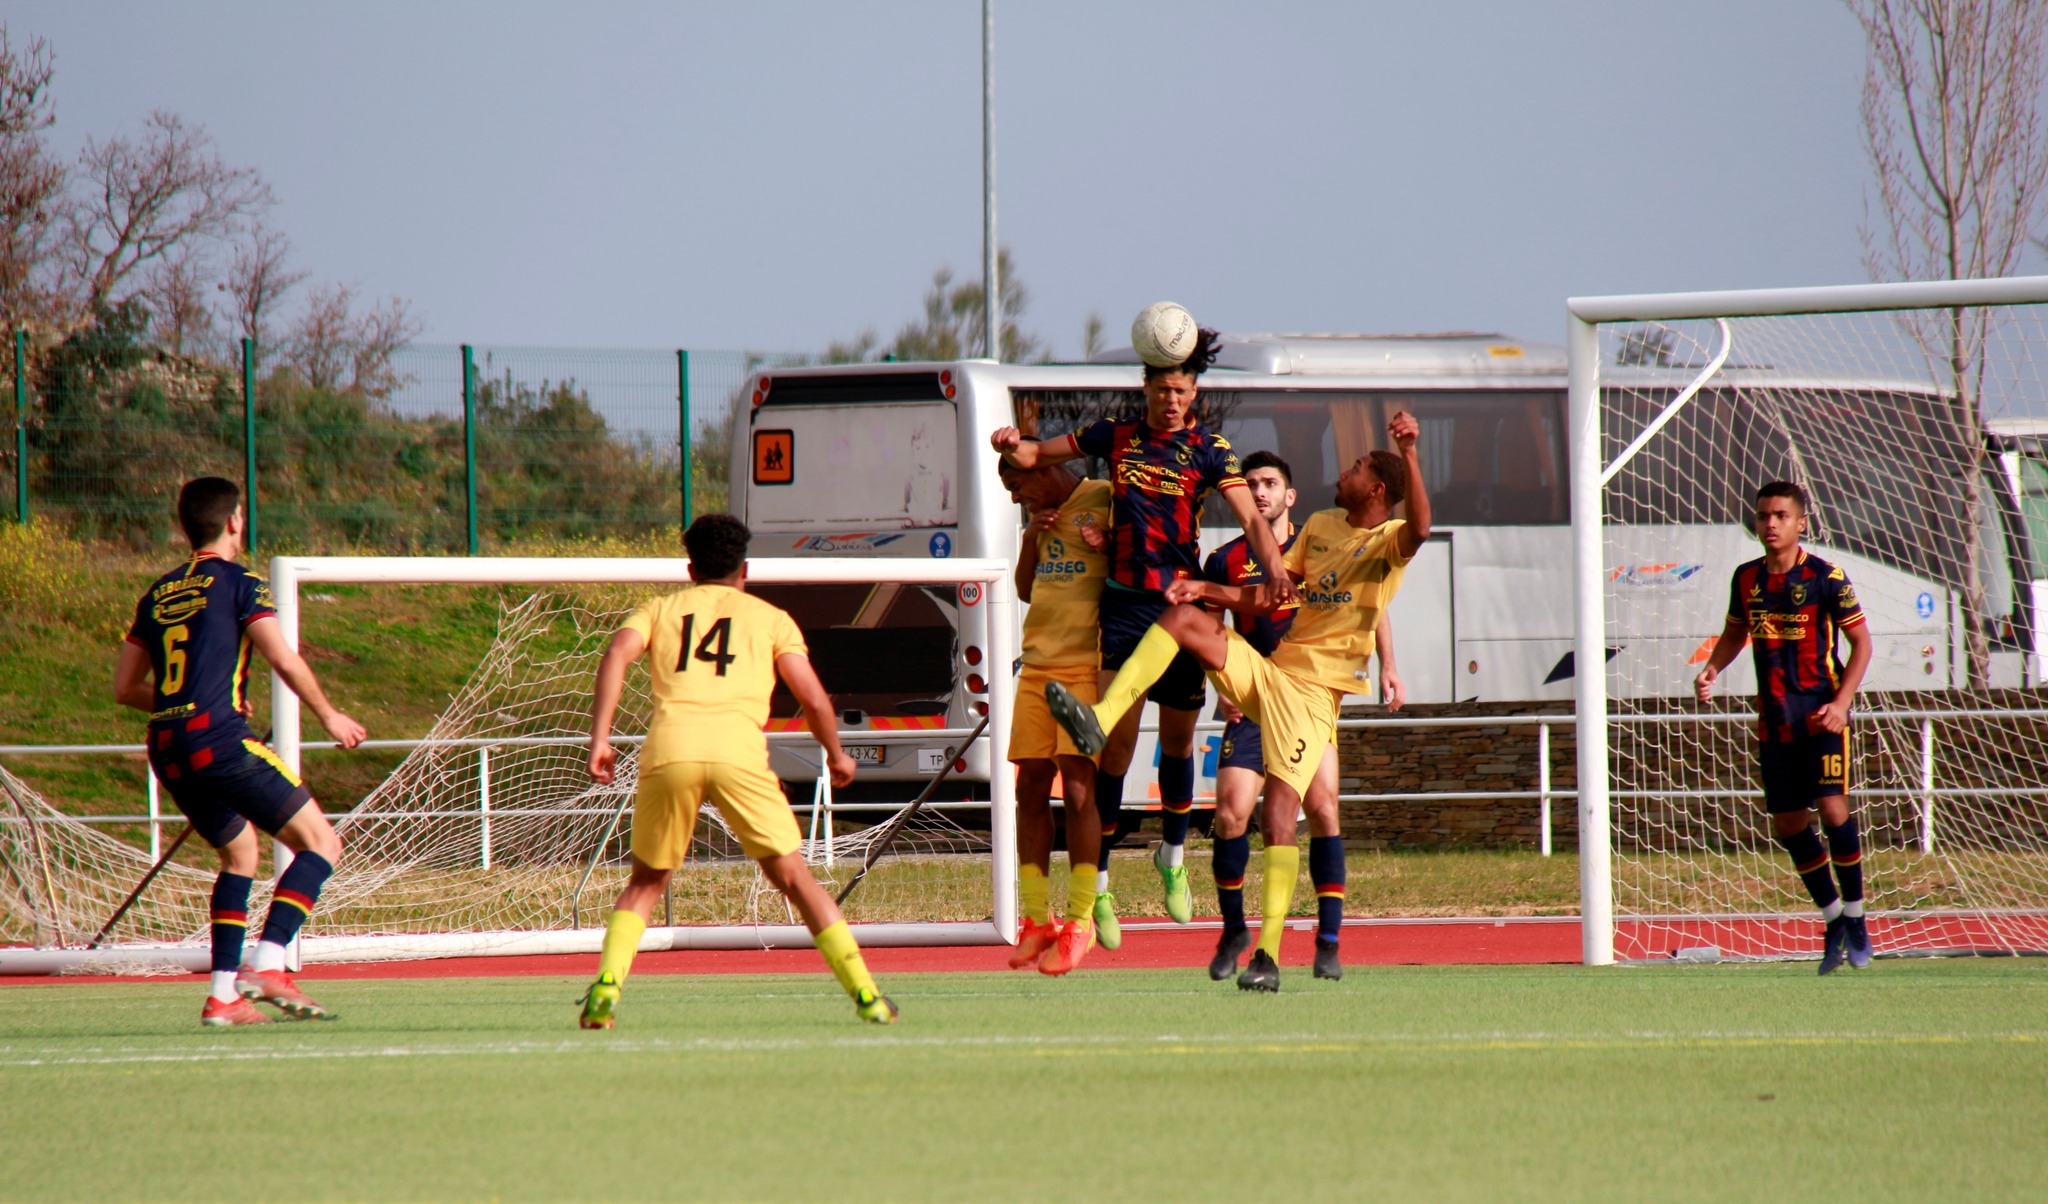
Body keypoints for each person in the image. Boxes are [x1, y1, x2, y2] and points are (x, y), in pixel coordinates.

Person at [1048, 412, 1431, 992]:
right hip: (1273, 674)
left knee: (1279, 818)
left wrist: (1410, 453)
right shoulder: (1323, 523)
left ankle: (1269, 956)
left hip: (1313, 699)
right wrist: (1205, 589)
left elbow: (1422, 528)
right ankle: (1099, 721)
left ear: (1376, 489)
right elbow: (1271, 597)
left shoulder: (1388, 540)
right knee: (1181, 618)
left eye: (1356, 468)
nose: (1345, 471)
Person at [990, 325, 1296, 937]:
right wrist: (1010, 441)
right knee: (1115, 751)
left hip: (1180, 611)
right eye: (1162, 390)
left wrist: (1276, 566)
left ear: (1193, 395)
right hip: (1126, 611)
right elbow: (1035, 457)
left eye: (1181, 391)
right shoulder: (1115, 436)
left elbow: (1249, 519)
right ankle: (1099, 887)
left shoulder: (1212, 449)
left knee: (1179, 743)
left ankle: (1174, 858)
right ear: (1148, 390)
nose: (1172, 400)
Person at [579, 513, 896, 1028]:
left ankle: (607, 987)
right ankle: (867, 995)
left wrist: (601, 737)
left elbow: (617, 652)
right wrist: (836, 753)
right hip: (738, 753)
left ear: (690, 569)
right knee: (795, 878)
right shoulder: (770, 618)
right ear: (744, 569)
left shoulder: (660, 609)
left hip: (671, 749)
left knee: (646, 882)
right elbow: (812, 697)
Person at [113, 477, 367, 1027]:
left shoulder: (156, 593)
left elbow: (125, 689)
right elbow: (284, 658)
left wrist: (186, 702)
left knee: (241, 856)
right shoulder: (240, 584)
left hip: (167, 743)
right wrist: (331, 715)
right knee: (322, 842)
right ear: (234, 521)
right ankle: (269, 963)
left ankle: (223, 996)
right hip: (219, 740)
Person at [1199, 451, 1404, 983]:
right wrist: (1219, 683)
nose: (1258, 492)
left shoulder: (1321, 538)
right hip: (1256, 695)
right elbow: (1215, 624)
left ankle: (1328, 941)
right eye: (1250, 485)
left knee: (1322, 809)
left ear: (1289, 496)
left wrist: (1389, 665)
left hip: (1309, 697)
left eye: (1269, 483)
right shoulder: (1225, 558)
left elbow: (1370, 604)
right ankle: (1233, 931)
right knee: (1230, 813)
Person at [1694, 481, 1874, 974]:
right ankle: (1833, 917)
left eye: (1779, 515)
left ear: (1801, 523)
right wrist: (1712, 668)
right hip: (1774, 721)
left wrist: (1842, 703)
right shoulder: (1746, 578)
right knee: (1789, 824)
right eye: (1762, 516)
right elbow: (1736, 630)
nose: (1769, 523)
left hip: (1821, 716)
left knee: (1834, 810)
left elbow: (1861, 644)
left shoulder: (1826, 577)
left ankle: (1857, 920)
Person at [998, 458, 1111, 974]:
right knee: (1029, 790)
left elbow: (1142, 563)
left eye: (1017, 486)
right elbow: (1025, 590)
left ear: (1042, 472)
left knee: (1080, 789)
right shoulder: (1039, 521)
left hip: (1085, 666)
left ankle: (1081, 920)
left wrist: (1108, 545)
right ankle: (1036, 922)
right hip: (1036, 667)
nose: (1018, 497)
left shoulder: (1105, 496)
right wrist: (1028, 541)